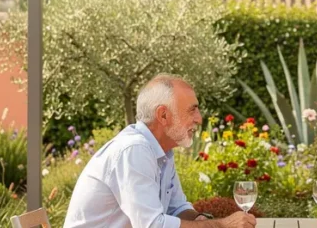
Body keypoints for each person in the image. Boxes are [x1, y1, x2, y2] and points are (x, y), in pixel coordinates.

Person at [64, 74, 257, 228]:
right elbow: (153, 225)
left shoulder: (162, 152)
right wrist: (222, 225)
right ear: (163, 115)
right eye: (192, 110)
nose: (199, 118)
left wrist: (202, 219)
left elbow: (177, 208)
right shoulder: (134, 151)